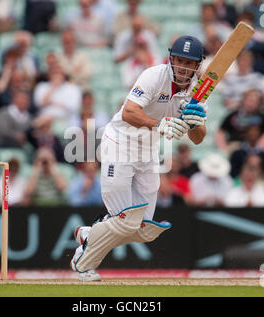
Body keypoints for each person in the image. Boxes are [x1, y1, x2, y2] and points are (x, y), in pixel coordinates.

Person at [70, 35, 208, 281]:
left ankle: (90, 234)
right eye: (179, 60)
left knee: (142, 226)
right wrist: (159, 124)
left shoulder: (198, 90)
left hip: (148, 150)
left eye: (189, 63)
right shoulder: (154, 75)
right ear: (171, 59)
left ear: (197, 65)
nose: (183, 67)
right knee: (124, 221)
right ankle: (83, 263)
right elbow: (128, 112)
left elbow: (198, 138)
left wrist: (196, 123)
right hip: (119, 143)